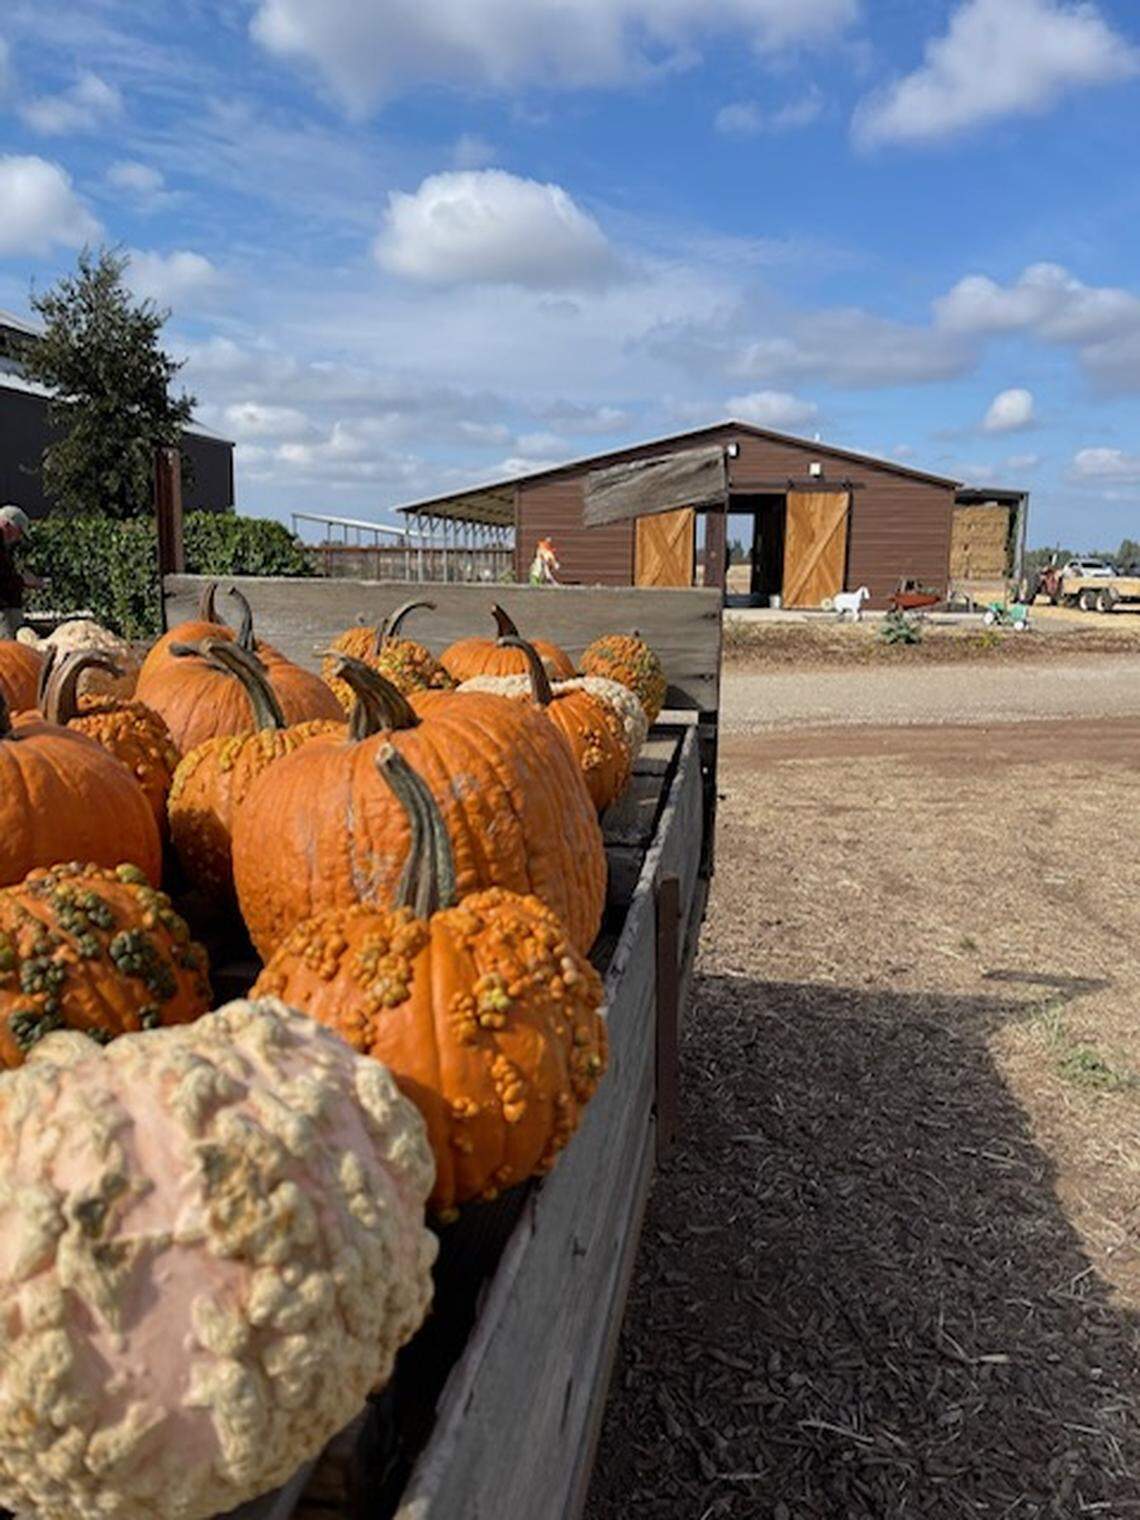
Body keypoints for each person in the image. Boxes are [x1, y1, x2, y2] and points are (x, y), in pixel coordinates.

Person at [0, 505, 44, 638]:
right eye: (19, 531)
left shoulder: (2, 545)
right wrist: (23, 581)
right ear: (7, 524)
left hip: (6, 609)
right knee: (9, 654)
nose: (18, 537)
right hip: (3, 611)